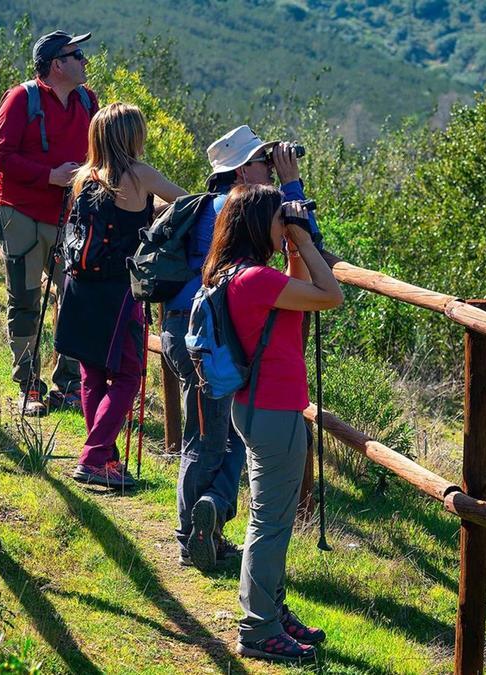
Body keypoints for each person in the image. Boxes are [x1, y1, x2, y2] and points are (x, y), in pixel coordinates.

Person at [161, 125, 319, 571]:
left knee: (223, 435)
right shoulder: (229, 209)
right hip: (210, 336)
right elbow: (313, 248)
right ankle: (193, 532)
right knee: (210, 438)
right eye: (262, 162)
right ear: (239, 172)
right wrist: (292, 188)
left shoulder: (220, 207)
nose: (269, 167)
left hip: (194, 328)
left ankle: (207, 516)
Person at [199, 184, 341, 663]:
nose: (286, 226)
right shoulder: (255, 280)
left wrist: (293, 245)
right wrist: (303, 238)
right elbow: (330, 295)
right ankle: (259, 629)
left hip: (259, 407)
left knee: (269, 517)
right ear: (262, 224)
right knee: (271, 523)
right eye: (280, 220)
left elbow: (298, 293)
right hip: (273, 411)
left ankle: (272, 611)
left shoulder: (234, 275)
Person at [54, 103, 186, 488]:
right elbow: (189, 202)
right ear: (132, 136)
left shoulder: (83, 176)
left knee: (92, 375)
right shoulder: (139, 173)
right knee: (128, 375)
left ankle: (106, 458)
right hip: (119, 293)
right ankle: (95, 458)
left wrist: (149, 206)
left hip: (79, 288)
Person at [0, 29, 98, 417]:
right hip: (19, 209)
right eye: (77, 54)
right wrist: (49, 176)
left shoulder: (88, 101)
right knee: (25, 297)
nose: (85, 60)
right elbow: (0, 156)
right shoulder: (21, 98)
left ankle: (67, 385)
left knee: (75, 297)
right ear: (57, 64)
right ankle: (28, 385)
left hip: (69, 215)